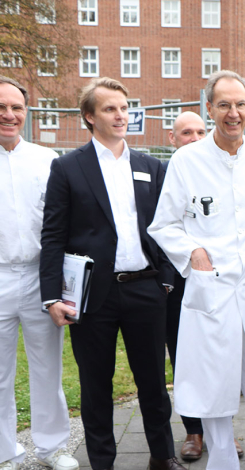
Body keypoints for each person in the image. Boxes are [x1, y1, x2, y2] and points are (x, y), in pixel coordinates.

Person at [148, 70, 245, 470]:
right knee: (214, 387)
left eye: (241, 104)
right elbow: (162, 224)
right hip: (212, 292)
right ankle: (224, 464)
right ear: (210, 108)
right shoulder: (186, 160)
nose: (234, 113)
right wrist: (192, 251)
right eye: (225, 105)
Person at [39, 77, 181, 470]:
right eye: (110, 109)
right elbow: (52, 235)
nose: (121, 116)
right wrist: (52, 296)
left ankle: (162, 455)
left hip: (146, 290)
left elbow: (166, 228)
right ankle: (102, 461)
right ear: (89, 116)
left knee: (153, 383)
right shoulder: (67, 167)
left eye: (124, 108)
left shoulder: (151, 166)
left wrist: (166, 279)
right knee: (95, 386)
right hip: (92, 296)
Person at [0, 76, 78, 470]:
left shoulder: (47, 160)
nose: (8, 115)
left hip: (38, 277)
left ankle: (52, 448)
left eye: (16, 107)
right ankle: (4, 453)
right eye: (1, 108)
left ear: (26, 112)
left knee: (47, 366)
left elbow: (63, 225)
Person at [162, 111, 244, 460]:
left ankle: (224, 433)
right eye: (186, 132)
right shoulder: (169, 170)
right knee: (188, 360)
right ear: (173, 138)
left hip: (217, 277)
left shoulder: (217, 166)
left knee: (222, 359)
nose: (194, 137)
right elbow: (160, 226)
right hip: (177, 278)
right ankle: (194, 431)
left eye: (199, 131)